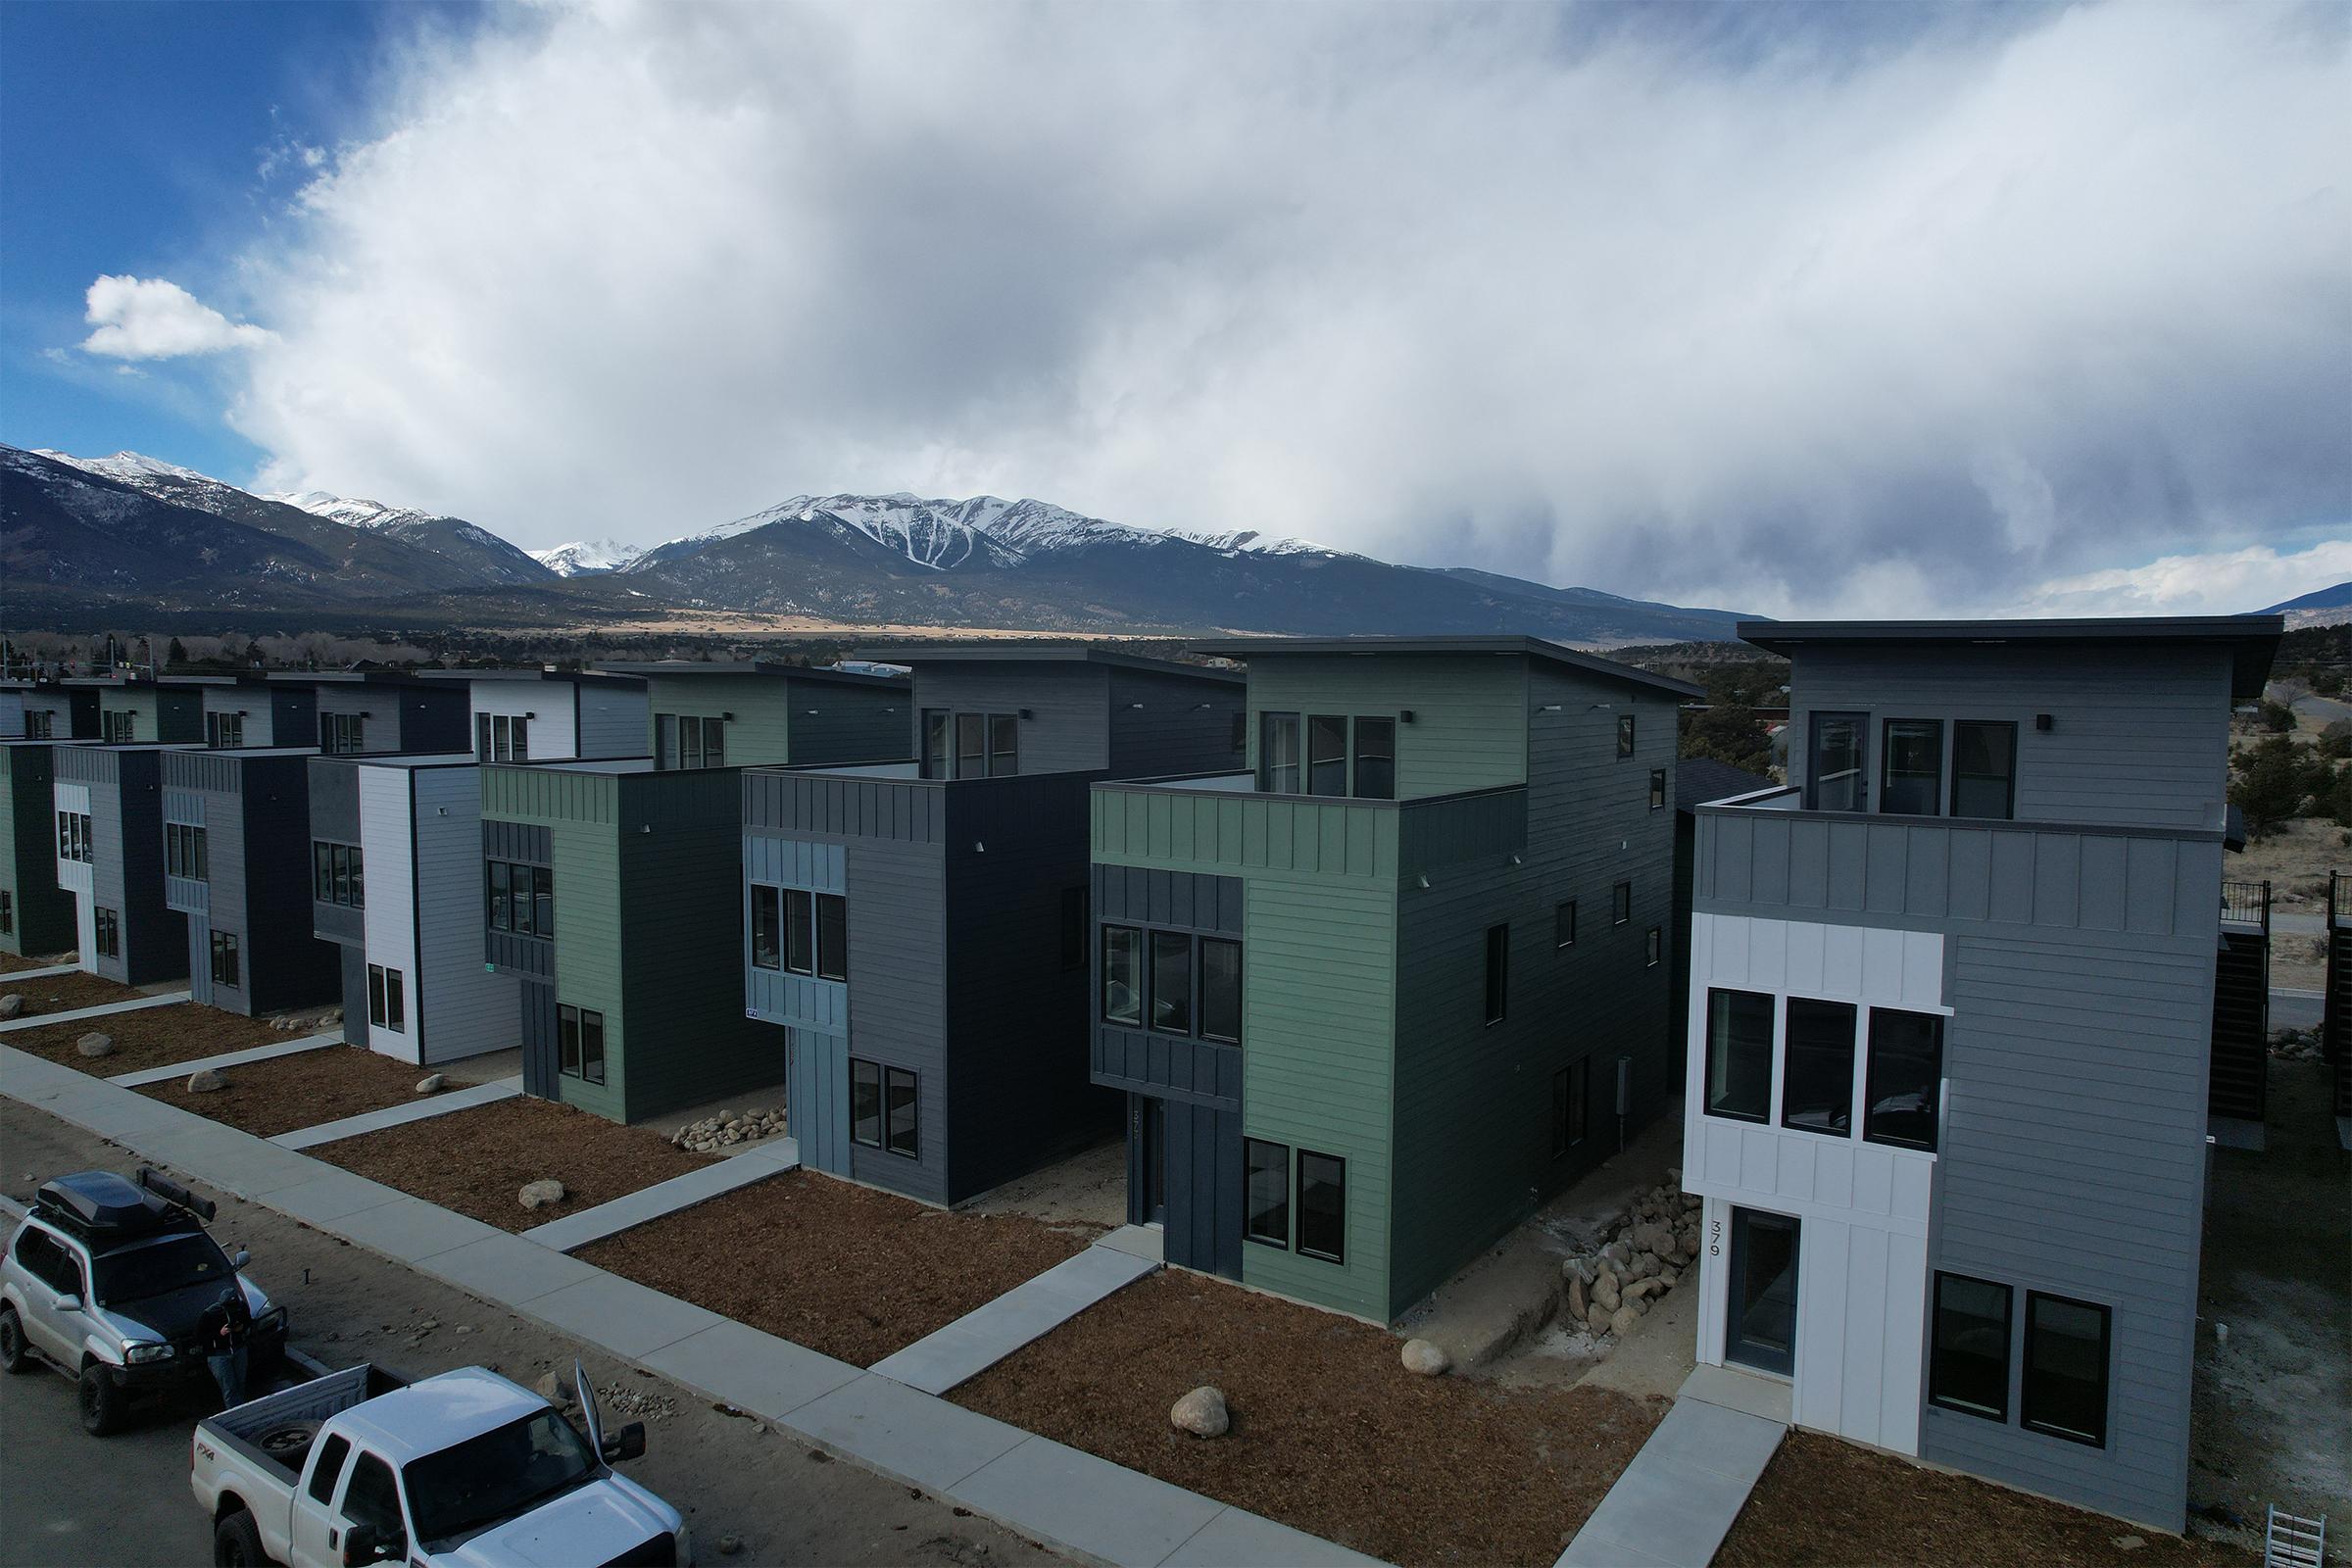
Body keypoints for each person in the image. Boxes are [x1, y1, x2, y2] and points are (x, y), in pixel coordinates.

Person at [199, 1286, 252, 1409]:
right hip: (218, 1354)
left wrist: (242, 1327)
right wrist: (219, 1334)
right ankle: (234, 1411)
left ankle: (240, 1408)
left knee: (240, 1382)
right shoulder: (210, 1314)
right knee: (229, 1386)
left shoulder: (241, 1307)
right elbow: (199, 1336)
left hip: (238, 1348)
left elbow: (248, 1321)